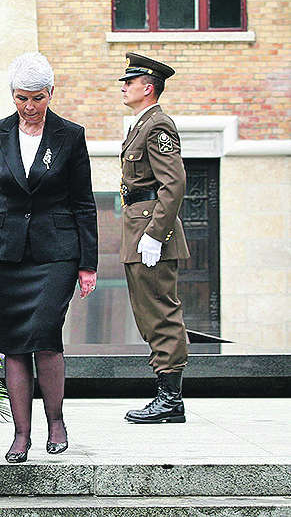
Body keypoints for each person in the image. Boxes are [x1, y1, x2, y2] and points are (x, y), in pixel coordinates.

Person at [0, 52, 98, 464]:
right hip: (4, 254)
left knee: (44, 335)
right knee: (13, 345)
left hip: (56, 253)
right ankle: (21, 434)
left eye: (37, 98)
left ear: (51, 93)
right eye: (21, 98)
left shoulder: (70, 135)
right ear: (12, 95)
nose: (29, 106)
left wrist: (87, 263)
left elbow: (84, 203)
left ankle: (55, 421)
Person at [118, 52, 189, 424]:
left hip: (150, 231)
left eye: (129, 82)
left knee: (161, 312)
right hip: (139, 227)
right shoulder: (141, 124)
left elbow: (173, 184)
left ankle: (170, 399)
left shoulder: (157, 126)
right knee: (149, 314)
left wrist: (155, 234)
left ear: (148, 87)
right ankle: (165, 393)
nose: (124, 86)